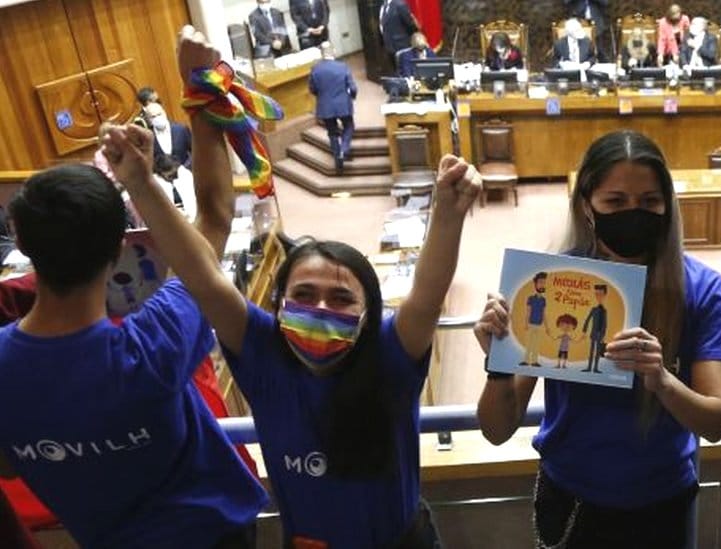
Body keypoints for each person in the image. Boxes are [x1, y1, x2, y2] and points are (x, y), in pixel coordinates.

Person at [116, 28, 483, 547]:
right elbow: (202, 273)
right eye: (305, 295)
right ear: (279, 302)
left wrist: (448, 213)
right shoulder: (263, 352)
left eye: (342, 298)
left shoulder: (387, 354)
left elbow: (426, 294)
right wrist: (143, 183)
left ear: (369, 312)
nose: (321, 308)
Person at [0, 27, 268, 548]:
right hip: (215, 537)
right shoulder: (152, 343)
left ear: (23, 244)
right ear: (121, 249)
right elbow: (214, 220)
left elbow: (9, 465)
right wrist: (197, 86)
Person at [475, 130, 721, 548]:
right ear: (586, 204)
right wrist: (499, 363)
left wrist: (662, 381)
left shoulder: (702, 288)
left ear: (667, 204)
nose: (634, 213)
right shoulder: (554, 283)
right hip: (571, 499)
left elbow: (717, 422)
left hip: (663, 501)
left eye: (649, 201)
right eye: (615, 201)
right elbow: (497, 430)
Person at [310, 41, 357, 172]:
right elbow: (352, 87)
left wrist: (322, 96)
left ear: (322, 54)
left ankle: (338, 160)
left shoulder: (315, 69)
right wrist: (352, 96)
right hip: (343, 104)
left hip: (325, 106)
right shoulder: (342, 67)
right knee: (349, 126)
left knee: (332, 132)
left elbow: (313, 89)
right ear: (334, 51)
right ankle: (344, 150)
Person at [144, 101, 192, 168]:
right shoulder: (147, 137)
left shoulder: (181, 130)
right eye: (153, 117)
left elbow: (194, 151)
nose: (157, 118)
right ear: (148, 120)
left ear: (164, 113)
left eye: (159, 114)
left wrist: (185, 168)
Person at [519, 272, 548, 367]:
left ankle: (534, 361)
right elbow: (528, 311)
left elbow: (544, 313)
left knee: (536, 344)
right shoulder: (531, 298)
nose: (542, 285)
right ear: (535, 284)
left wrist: (547, 326)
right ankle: (526, 360)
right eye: (540, 282)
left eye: (544, 282)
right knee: (529, 343)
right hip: (531, 324)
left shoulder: (543, 300)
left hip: (539, 325)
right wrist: (526, 323)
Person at [379, 0, 418, 69]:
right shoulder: (384, 5)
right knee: (396, 70)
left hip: (402, 46)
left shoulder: (400, 4)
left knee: (406, 70)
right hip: (390, 46)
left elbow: (410, 24)